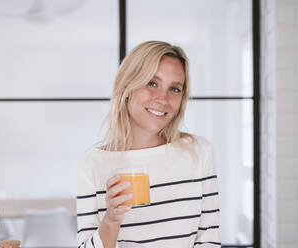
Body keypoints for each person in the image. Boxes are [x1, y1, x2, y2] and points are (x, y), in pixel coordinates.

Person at [77, 41, 220, 248]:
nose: (163, 98)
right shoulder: (94, 163)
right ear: (127, 88)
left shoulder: (199, 152)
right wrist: (111, 221)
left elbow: (208, 241)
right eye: (152, 83)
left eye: (174, 88)